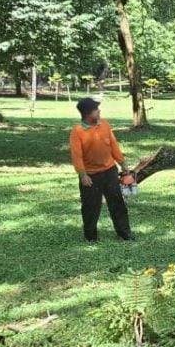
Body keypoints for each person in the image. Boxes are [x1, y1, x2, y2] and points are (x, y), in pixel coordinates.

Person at [70, 97, 134, 242]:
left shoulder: (104, 124)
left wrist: (123, 165)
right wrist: (82, 175)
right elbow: (77, 155)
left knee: (117, 202)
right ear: (88, 113)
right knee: (91, 207)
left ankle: (124, 232)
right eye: (96, 109)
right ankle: (91, 236)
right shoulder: (78, 131)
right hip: (91, 175)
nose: (99, 111)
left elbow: (113, 145)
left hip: (109, 170)